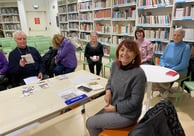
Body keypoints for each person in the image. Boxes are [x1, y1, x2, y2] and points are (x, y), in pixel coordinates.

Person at [86, 39, 146, 136]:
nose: (125, 53)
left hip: (128, 114)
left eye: (129, 51)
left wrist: (115, 108)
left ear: (135, 54)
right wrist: (108, 91)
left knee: (90, 123)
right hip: (114, 105)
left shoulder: (138, 74)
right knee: (97, 123)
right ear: (118, 51)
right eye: (122, 50)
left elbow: (135, 102)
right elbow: (110, 81)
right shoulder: (115, 65)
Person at [154, 28, 191, 99]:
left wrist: (171, 69)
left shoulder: (186, 47)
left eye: (178, 35)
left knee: (164, 78)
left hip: (179, 71)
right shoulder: (169, 45)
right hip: (166, 68)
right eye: (174, 35)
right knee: (155, 75)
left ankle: (164, 93)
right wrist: (163, 65)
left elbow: (184, 64)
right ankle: (165, 92)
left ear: (183, 36)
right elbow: (162, 57)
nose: (176, 37)